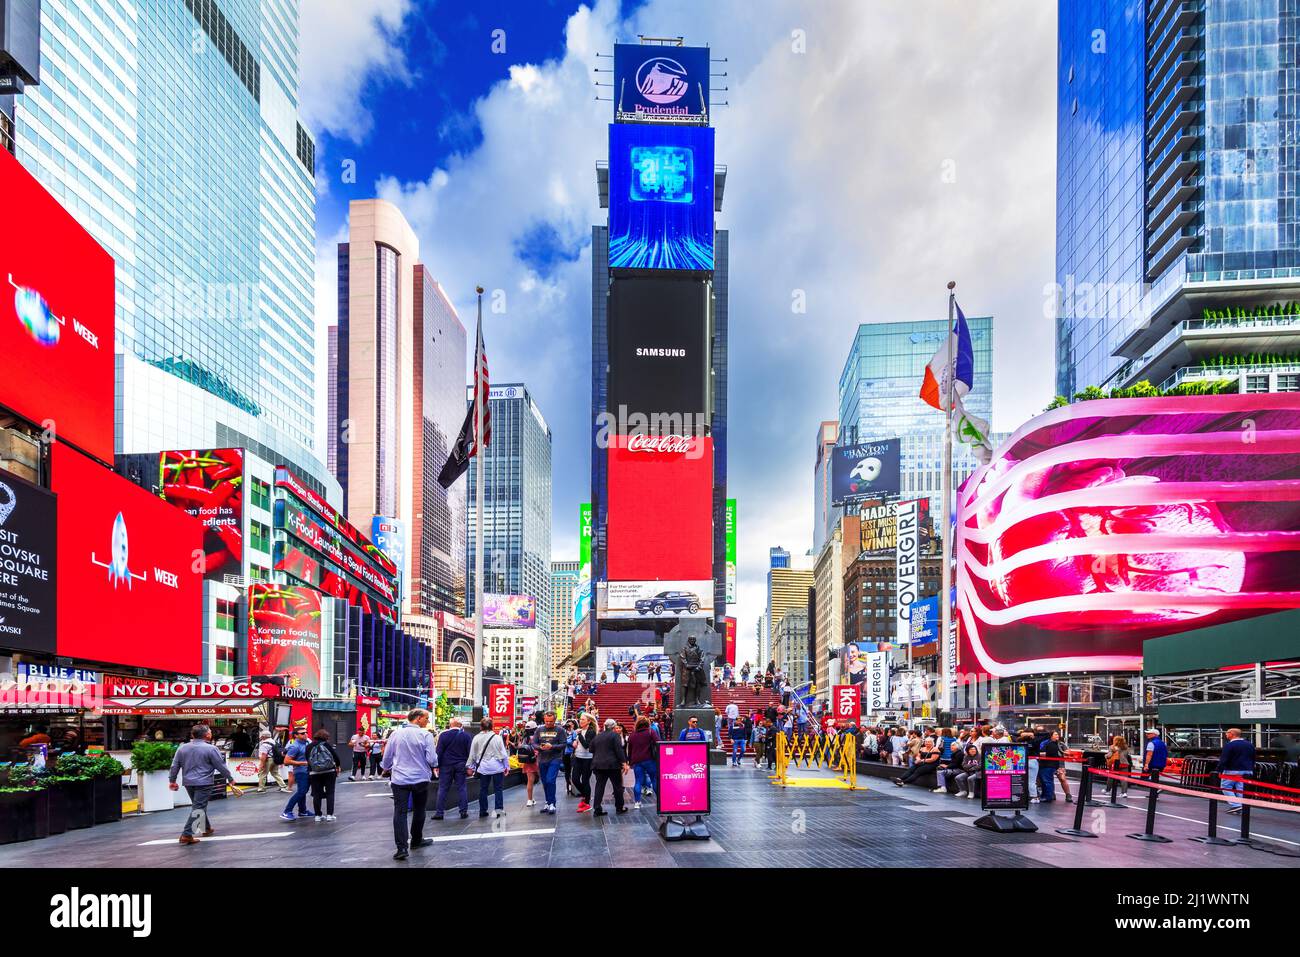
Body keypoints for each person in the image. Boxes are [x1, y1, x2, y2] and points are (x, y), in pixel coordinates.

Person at [380, 708, 439, 860]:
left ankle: (401, 848)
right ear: (418, 718)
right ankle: (416, 840)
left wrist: (386, 768)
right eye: (426, 718)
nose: (427, 721)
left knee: (400, 812)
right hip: (420, 778)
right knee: (420, 809)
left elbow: (387, 758)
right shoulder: (425, 735)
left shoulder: (395, 734)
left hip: (399, 779)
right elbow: (432, 760)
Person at [168, 724, 235, 844]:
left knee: (198, 805)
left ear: (193, 735)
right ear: (207, 735)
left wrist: (172, 780)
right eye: (210, 732)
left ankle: (206, 828)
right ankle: (187, 834)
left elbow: (175, 765)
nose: (211, 733)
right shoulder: (211, 749)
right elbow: (220, 766)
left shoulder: (182, 748)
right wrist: (230, 778)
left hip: (188, 782)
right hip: (204, 782)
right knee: (198, 807)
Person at [468, 717, 510, 818]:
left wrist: (471, 767)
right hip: (497, 767)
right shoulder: (497, 738)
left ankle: (483, 811)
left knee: (483, 789)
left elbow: (472, 754)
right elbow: (503, 754)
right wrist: (506, 766)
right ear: (492, 726)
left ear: (481, 727)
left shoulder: (476, 738)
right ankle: (499, 810)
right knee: (498, 789)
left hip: (483, 768)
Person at [433, 718, 473, 820]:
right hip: (461, 765)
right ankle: (463, 811)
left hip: (446, 765)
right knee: (461, 788)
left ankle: (439, 813)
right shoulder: (466, 736)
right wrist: (469, 766)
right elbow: (470, 753)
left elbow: (439, 752)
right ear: (460, 725)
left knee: (443, 789)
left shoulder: (443, 735)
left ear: (450, 725)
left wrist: (436, 766)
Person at [591, 718, 629, 816]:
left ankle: (597, 808)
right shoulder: (615, 736)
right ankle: (619, 807)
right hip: (612, 765)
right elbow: (619, 750)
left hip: (598, 764)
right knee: (617, 786)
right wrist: (624, 763)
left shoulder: (598, 736)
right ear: (613, 727)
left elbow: (591, 749)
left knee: (599, 786)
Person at [533, 711, 567, 814]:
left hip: (555, 758)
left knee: (550, 780)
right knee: (544, 782)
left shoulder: (560, 730)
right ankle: (548, 802)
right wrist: (540, 747)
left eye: (550, 721)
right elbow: (534, 743)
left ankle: (552, 803)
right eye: (546, 721)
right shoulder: (539, 730)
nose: (548, 723)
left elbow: (563, 744)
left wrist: (552, 747)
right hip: (542, 759)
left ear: (555, 720)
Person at [305, 728, 342, 822]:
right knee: (330, 792)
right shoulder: (326, 745)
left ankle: (318, 815)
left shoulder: (309, 746)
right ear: (326, 737)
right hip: (329, 771)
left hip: (314, 772)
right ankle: (330, 814)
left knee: (316, 793)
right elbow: (336, 757)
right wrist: (337, 766)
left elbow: (307, 759)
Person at [1217, 727, 1255, 814]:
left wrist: (1218, 769)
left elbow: (1224, 759)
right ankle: (1241, 806)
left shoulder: (1229, 745)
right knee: (1240, 788)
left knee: (1225, 786)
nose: (1226, 734)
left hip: (1232, 770)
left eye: (1227, 733)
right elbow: (1253, 757)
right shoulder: (1249, 744)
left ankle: (1236, 805)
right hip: (1247, 770)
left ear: (1232, 734)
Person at [279, 727, 314, 821]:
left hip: (307, 770)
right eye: (302, 733)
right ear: (296, 735)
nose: (305, 734)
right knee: (302, 791)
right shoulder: (295, 746)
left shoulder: (307, 742)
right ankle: (287, 811)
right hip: (301, 772)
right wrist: (303, 763)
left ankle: (303, 811)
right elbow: (286, 761)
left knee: (303, 791)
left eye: (306, 732)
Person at [626, 717, 659, 809]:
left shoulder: (632, 735)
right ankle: (659, 801)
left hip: (637, 761)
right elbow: (658, 742)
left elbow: (630, 749)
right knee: (654, 780)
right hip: (649, 760)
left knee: (638, 781)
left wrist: (629, 761)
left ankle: (637, 802)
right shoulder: (650, 732)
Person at [572, 713, 597, 813]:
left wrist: (578, 735)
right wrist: (575, 742)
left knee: (585, 780)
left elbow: (587, 745)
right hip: (578, 757)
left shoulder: (591, 732)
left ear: (589, 721)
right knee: (575, 779)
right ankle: (586, 795)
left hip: (587, 759)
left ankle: (586, 802)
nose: (580, 721)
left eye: (583, 719)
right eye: (580, 719)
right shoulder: (580, 730)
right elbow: (579, 743)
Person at [1038, 730, 1068, 802]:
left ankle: (1050, 796)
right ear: (1051, 736)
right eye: (1055, 734)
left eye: (1057, 734)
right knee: (1046, 781)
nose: (1057, 736)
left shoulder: (1059, 744)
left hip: (1052, 765)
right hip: (1050, 764)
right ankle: (1049, 795)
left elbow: (1044, 753)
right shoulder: (1046, 743)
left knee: (1058, 779)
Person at [516, 720, 539, 807]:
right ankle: (548, 800)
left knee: (530, 781)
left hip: (528, 761)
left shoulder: (525, 738)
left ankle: (529, 800)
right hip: (538, 760)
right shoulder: (537, 737)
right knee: (545, 780)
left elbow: (520, 747)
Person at [1105, 735, 1132, 799]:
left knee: (1111, 777)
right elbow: (1127, 755)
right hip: (1124, 764)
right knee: (1124, 779)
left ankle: (1108, 790)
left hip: (1115, 764)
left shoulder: (1112, 747)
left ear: (1115, 741)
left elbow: (1109, 755)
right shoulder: (1126, 748)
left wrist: (1106, 756)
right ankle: (1124, 793)